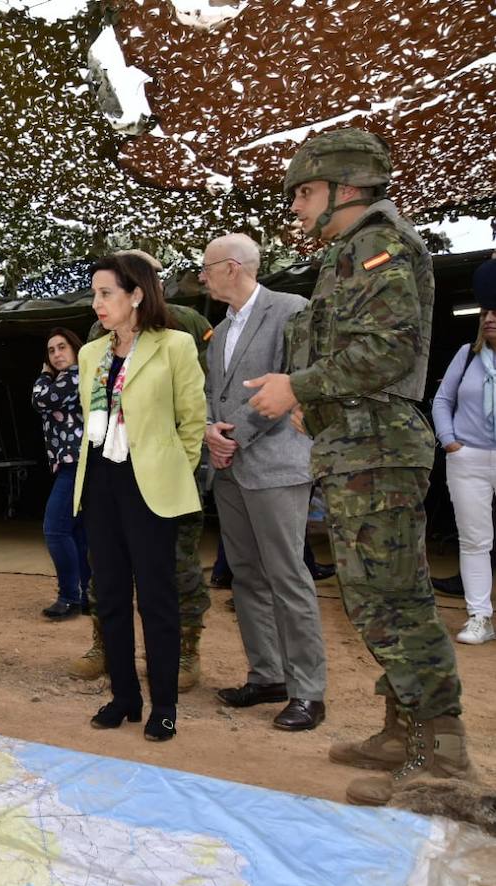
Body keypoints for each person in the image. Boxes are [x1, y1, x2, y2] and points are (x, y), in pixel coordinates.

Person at [248, 127, 468, 805]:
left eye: (307, 192)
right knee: (380, 597)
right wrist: (312, 405)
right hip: (358, 448)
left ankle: (443, 760)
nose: (298, 207)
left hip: (379, 451)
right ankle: (403, 730)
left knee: (392, 603)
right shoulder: (351, 251)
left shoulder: (377, 246)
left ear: (347, 188)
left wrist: (300, 387)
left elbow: (389, 353)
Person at [76, 253, 206, 741]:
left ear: (136, 295)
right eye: (94, 294)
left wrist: (172, 470)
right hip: (100, 482)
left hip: (150, 485)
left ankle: (165, 705)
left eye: (106, 293)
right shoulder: (92, 353)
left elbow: (192, 421)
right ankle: (124, 697)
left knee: (157, 599)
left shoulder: (175, 345)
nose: (97, 303)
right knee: (108, 596)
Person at [201, 233, 327, 731]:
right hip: (230, 470)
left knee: (287, 576)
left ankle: (308, 692)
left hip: (275, 466)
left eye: (208, 266)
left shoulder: (291, 309)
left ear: (233, 267)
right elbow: (213, 391)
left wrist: (237, 437)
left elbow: (296, 381)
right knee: (247, 576)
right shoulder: (220, 328)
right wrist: (211, 431)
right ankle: (267, 675)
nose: (203, 274)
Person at [432, 257, 496, 645]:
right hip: (468, 458)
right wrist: (450, 441)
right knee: (475, 540)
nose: (489, 318)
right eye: (486, 311)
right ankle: (479, 616)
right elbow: (442, 399)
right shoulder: (466, 354)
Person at [30, 327, 90, 620]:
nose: (56, 354)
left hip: (76, 464)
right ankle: (88, 594)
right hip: (72, 463)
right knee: (77, 532)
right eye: (51, 351)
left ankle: (70, 597)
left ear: (76, 349)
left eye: (62, 347)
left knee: (55, 529)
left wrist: (43, 375)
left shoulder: (75, 376)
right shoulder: (68, 378)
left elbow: (41, 400)